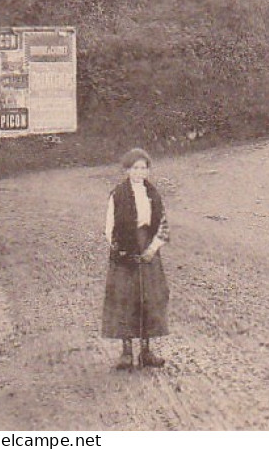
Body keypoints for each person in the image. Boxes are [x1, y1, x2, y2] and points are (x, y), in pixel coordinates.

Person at [102, 147, 170, 370]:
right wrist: (121, 250)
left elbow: (163, 224)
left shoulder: (153, 194)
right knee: (125, 298)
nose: (139, 172)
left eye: (143, 168)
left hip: (148, 248)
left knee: (148, 299)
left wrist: (153, 248)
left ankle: (146, 351)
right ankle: (126, 352)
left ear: (148, 170)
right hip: (125, 253)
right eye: (135, 168)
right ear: (127, 170)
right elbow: (109, 228)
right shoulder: (118, 195)